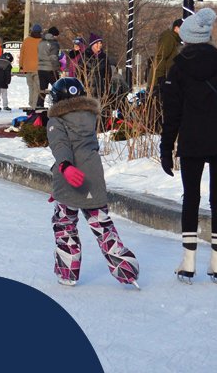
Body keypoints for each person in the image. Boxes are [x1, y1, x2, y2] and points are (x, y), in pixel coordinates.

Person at [159, 8, 217, 284]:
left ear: (186, 37)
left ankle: (188, 263)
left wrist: (166, 148)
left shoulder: (178, 70)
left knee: (191, 198)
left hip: (192, 140)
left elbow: (171, 115)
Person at [46, 77, 140, 288]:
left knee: (65, 225)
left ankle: (67, 272)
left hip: (70, 176)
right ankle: (126, 270)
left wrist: (64, 167)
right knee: (102, 225)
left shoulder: (56, 121)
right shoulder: (89, 118)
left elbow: (61, 146)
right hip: (93, 177)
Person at [150, 19, 183, 96]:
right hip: (160, 80)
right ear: (176, 28)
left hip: (166, 79)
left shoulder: (176, 39)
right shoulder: (169, 37)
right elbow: (160, 57)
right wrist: (160, 78)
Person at [37, 27, 63, 108]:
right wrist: (58, 67)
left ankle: (39, 104)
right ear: (54, 35)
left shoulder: (41, 42)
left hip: (40, 69)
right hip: (50, 69)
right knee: (58, 88)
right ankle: (58, 105)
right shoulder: (54, 43)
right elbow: (53, 57)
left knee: (42, 89)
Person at [20, 24, 43, 108]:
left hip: (27, 67)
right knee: (37, 88)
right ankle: (34, 105)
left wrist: (21, 66)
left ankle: (31, 104)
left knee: (31, 87)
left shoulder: (26, 41)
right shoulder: (41, 41)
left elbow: (22, 54)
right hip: (38, 68)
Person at [85, 33, 110, 98]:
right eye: (97, 43)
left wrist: (107, 88)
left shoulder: (104, 57)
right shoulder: (85, 56)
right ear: (92, 45)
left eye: (100, 43)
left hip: (101, 89)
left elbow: (108, 74)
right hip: (88, 89)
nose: (100, 45)